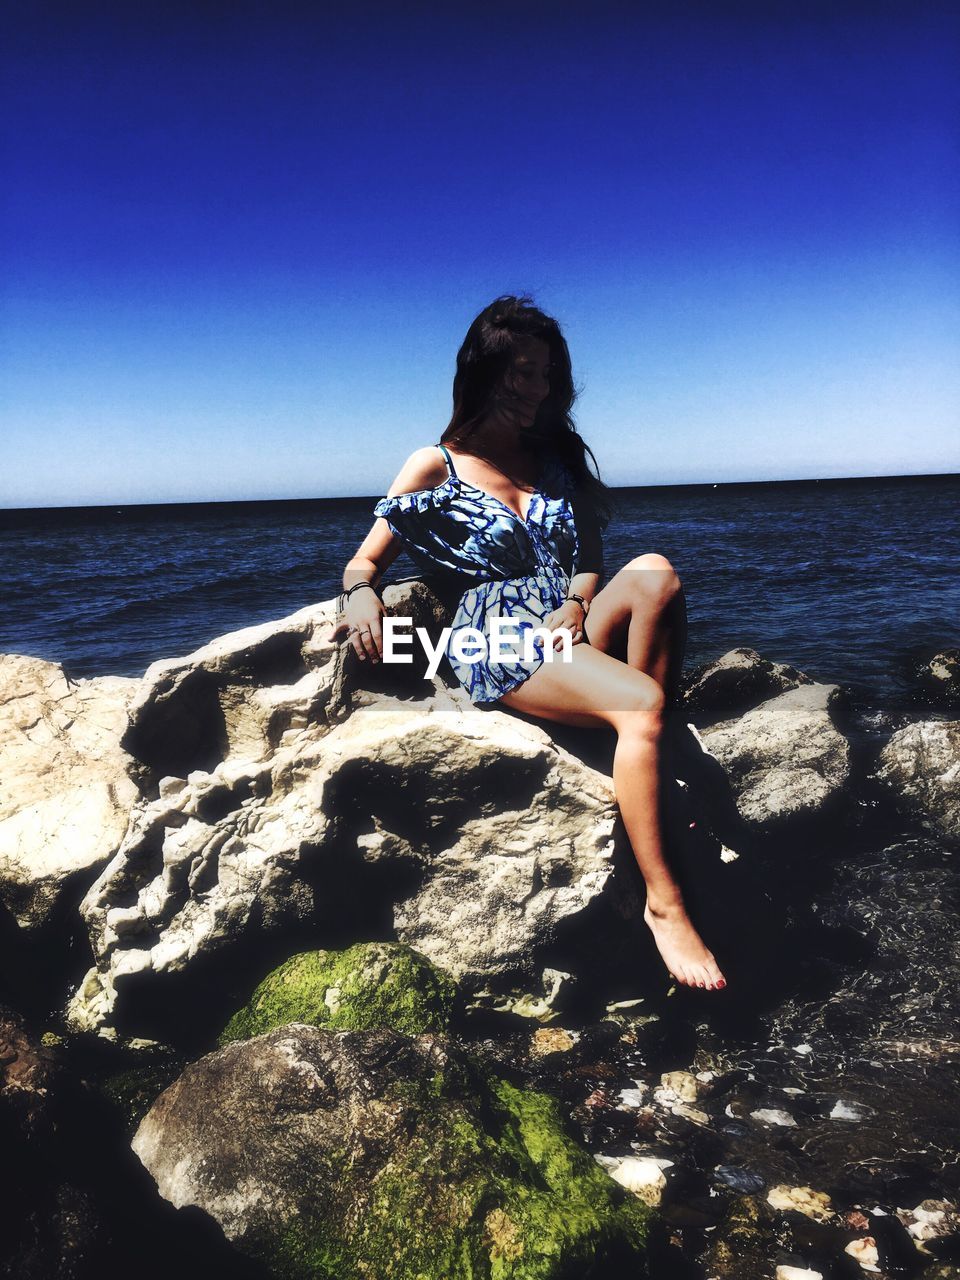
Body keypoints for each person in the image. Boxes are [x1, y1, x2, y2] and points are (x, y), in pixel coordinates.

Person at [332, 296, 726, 991]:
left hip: (565, 626)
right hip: (496, 638)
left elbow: (590, 558)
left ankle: (646, 763)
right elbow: (365, 561)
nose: (534, 390)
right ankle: (664, 906)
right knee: (641, 702)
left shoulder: (552, 459)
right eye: (518, 374)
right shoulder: (436, 464)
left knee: (658, 574)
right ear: (480, 374)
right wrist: (362, 594)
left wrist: (578, 604)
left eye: (544, 375)